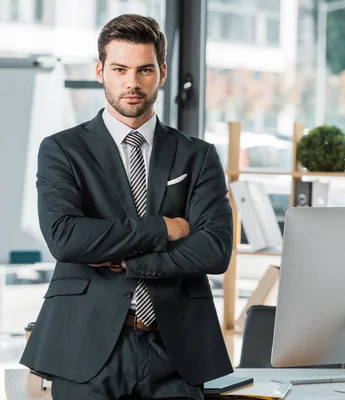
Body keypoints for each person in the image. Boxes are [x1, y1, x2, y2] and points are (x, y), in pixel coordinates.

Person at [20, 14, 233, 400]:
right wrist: (163, 229)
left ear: (162, 72)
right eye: (119, 69)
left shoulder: (197, 156)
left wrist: (126, 261)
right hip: (85, 349)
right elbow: (66, 238)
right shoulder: (63, 150)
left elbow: (215, 249)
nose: (132, 83)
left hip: (176, 349)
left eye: (144, 70)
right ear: (101, 70)